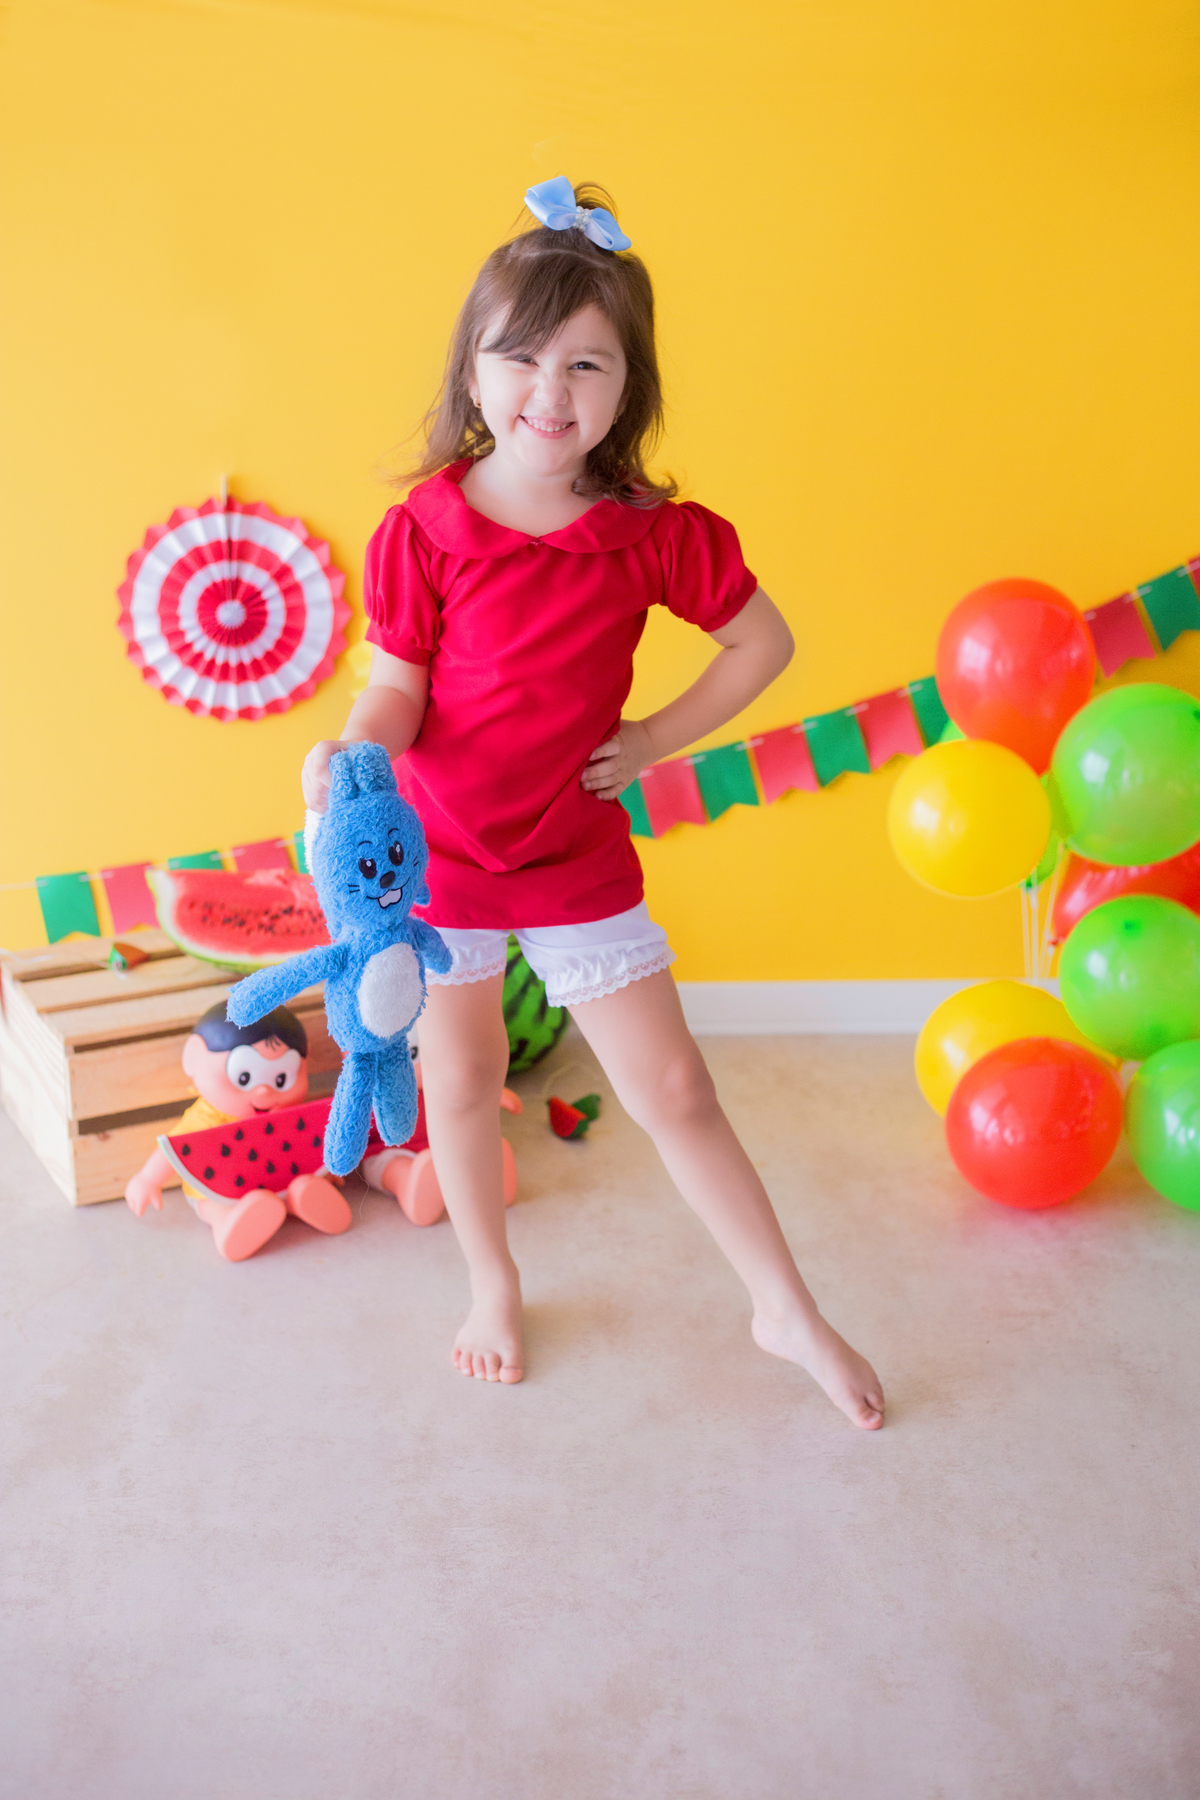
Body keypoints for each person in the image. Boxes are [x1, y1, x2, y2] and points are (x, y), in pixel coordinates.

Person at [301, 178, 884, 1427]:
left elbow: (764, 644)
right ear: (472, 370)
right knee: (462, 1082)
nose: (549, 392)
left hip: (571, 853)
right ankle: (493, 1284)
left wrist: (654, 738)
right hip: (437, 856)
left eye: (586, 364)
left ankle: (784, 1306)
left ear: (630, 389)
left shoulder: (654, 534)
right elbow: (395, 687)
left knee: (675, 1090)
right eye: (520, 357)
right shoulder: (425, 529)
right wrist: (350, 764)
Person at [124, 1003, 351, 1261]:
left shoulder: (288, 1114)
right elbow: (174, 1148)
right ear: (193, 1060)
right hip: (215, 1194)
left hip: (281, 1181)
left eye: (281, 1080)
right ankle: (227, 1225)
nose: (265, 1092)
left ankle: (302, 1198)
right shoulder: (205, 1119)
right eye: (244, 1079)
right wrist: (148, 1179)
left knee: (299, 1181)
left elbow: (304, 1145)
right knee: (213, 1206)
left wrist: (324, 1169)